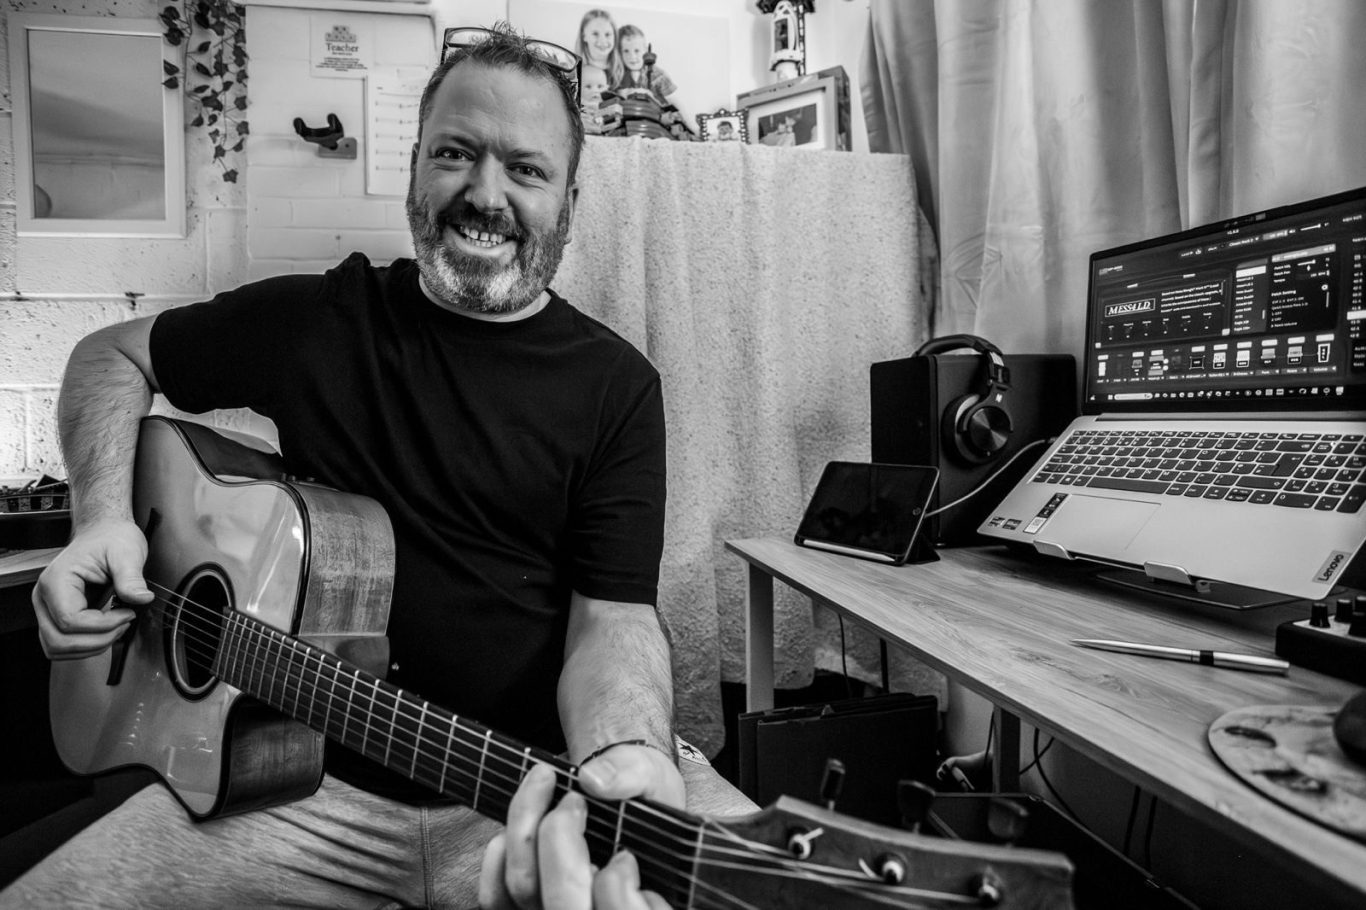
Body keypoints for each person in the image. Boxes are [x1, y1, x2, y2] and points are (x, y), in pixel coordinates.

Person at [4, 22, 746, 909]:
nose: (486, 195)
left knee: (738, 877)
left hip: (523, 790)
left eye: (526, 169)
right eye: (456, 154)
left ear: (570, 201)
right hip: (293, 786)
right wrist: (101, 522)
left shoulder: (615, 385)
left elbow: (612, 620)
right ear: (415, 169)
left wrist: (628, 754)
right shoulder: (322, 321)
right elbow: (109, 358)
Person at [614, 24, 695, 135]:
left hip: (658, 116)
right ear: (619, 53)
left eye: (637, 51)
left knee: (675, 104)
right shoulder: (617, 75)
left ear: (645, 50)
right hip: (631, 118)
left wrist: (687, 124)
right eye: (626, 51)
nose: (632, 57)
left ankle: (690, 130)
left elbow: (671, 99)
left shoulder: (656, 74)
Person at [576, 8, 624, 92]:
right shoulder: (576, 71)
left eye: (607, 34)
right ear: (584, 36)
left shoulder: (623, 70)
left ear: (615, 36)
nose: (602, 41)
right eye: (595, 34)